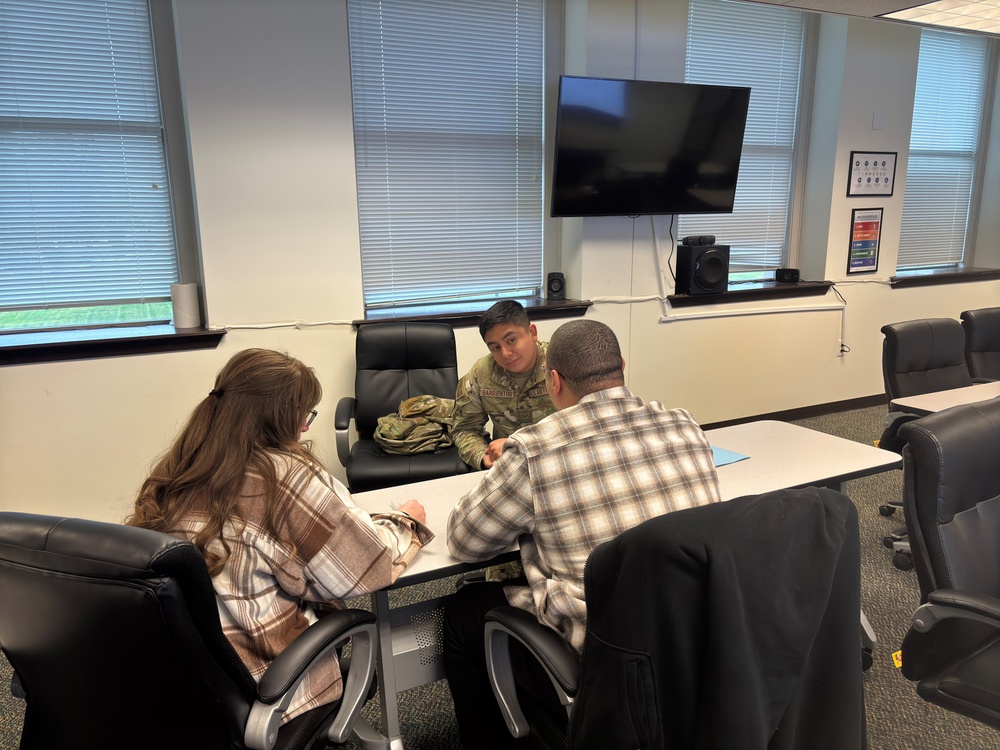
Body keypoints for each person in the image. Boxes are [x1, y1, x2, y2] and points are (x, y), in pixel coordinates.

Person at [442, 319, 722, 750]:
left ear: (554, 381)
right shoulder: (685, 424)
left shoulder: (534, 449)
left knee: (463, 612)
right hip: (694, 631)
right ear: (621, 367)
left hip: (607, 652)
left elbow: (464, 541)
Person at [126, 348, 431, 726]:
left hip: (187, 682)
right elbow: (366, 565)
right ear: (281, 414)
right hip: (268, 682)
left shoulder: (183, 467)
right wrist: (406, 521)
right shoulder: (284, 475)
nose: (305, 427)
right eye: (304, 413)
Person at [452, 299, 556, 470]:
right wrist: (483, 457)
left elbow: (588, 421)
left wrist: (522, 444)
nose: (506, 354)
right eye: (495, 348)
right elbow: (464, 429)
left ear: (532, 332)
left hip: (557, 460)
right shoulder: (482, 373)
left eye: (511, 340)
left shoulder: (561, 363)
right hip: (507, 468)